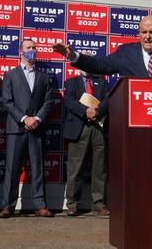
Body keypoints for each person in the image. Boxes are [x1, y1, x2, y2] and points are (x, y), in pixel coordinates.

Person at [0, 39, 54, 218]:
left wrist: (36, 119)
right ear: (20, 51)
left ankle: (40, 205)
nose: (32, 50)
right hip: (16, 127)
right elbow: (7, 101)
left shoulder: (44, 77)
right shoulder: (10, 75)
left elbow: (48, 102)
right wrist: (24, 119)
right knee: (12, 168)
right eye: (28, 48)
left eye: (34, 47)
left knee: (37, 168)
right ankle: (7, 206)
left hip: (36, 128)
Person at [63, 71, 109, 216]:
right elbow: (69, 101)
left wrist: (97, 111)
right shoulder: (71, 82)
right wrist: (86, 111)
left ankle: (99, 203)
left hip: (98, 128)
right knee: (75, 168)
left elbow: (108, 101)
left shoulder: (102, 82)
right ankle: (72, 204)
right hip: (78, 127)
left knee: (99, 168)